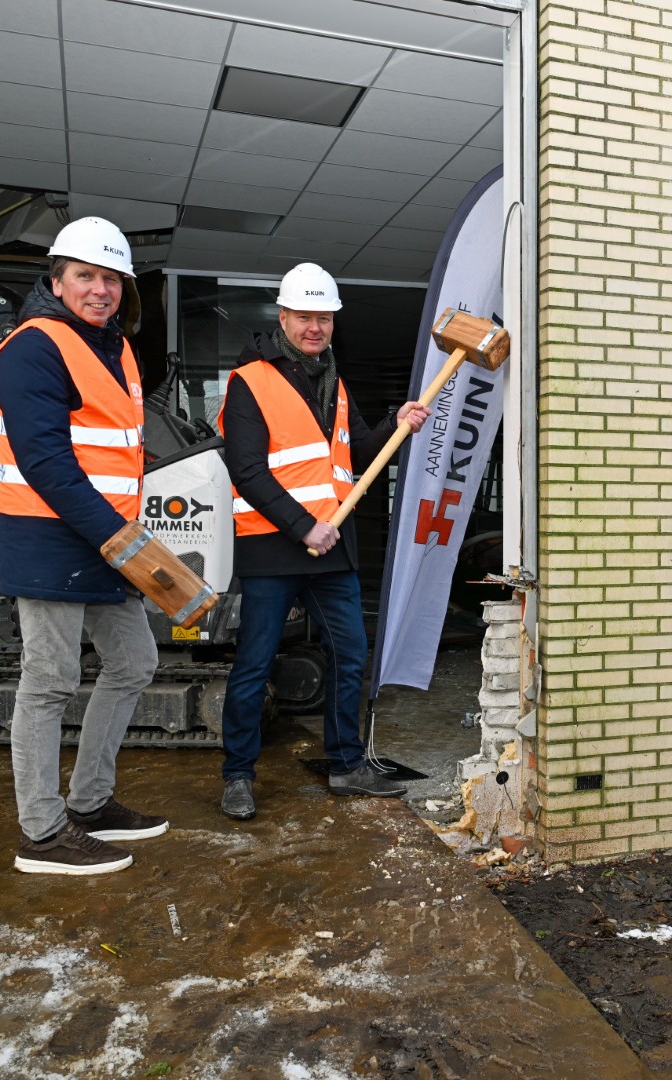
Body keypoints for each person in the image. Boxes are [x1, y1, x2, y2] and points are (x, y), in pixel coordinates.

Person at [215, 263, 430, 820]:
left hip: (331, 548)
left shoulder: (332, 378)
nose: (315, 327)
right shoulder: (249, 381)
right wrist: (302, 526)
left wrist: (396, 424)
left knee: (349, 653)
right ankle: (237, 775)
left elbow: (355, 453)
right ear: (282, 316)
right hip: (273, 547)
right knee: (256, 663)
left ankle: (345, 764)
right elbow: (247, 470)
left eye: (325, 318)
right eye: (305, 317)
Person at [0, 217, 167, 875]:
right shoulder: (36, 346)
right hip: (51, 535)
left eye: (111, 279)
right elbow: (44, 458)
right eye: (86, 276)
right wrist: (113, 533)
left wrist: (119, 537)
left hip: (103, 538)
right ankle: (42, 832)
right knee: (50, 680)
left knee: (134, 662)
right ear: (56, 280)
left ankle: (90, 802)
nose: (100, 289)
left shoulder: (113, 348)